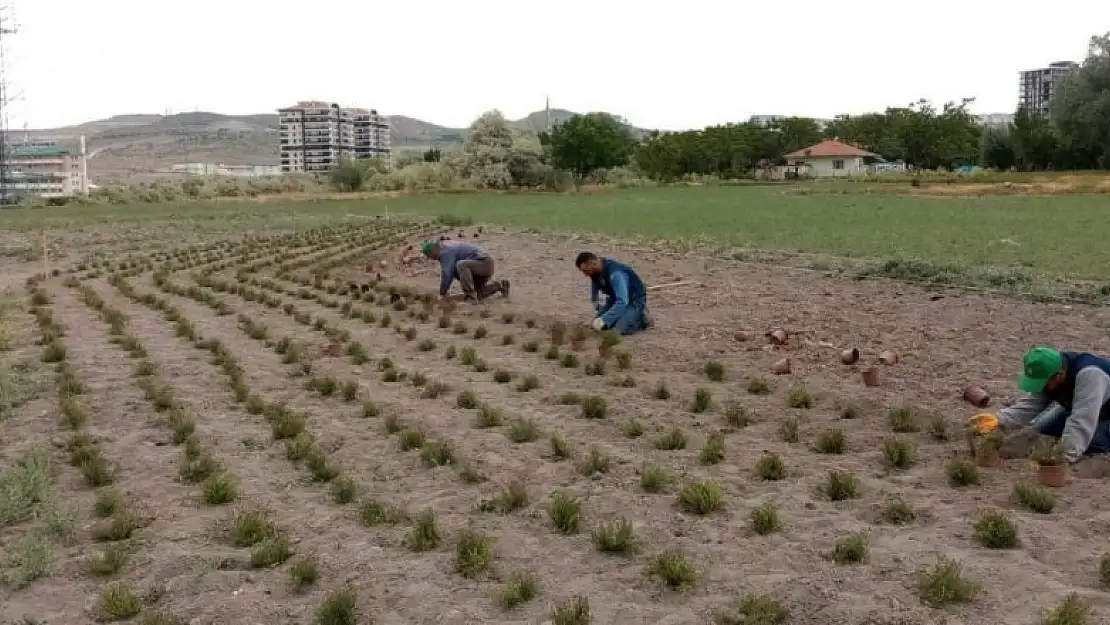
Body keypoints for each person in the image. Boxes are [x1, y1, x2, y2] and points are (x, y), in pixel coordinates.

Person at [974, 346, 1110, 465]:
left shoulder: (1090, 375)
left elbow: (1081, 421)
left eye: (1043, 383)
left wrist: (1060, 458)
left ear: (1060, 374)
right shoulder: (1051, 367)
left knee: (1091, 441)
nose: (1040, 388)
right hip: (1083, 408)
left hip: (1098, 411)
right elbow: (1029, 405)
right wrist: (999, 419)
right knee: (1042, 428)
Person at [575, 251, 652, 336]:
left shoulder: (616, 274)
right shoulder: (596, 270)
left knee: (618, 330)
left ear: (592, 263)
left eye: (585, 271)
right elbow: (595, 282)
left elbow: (622, 301)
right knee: (598, 326)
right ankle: (624, 315)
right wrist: (596, 302)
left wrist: (604, 319)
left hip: (633, 301)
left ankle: (642, 319)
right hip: (615, 299)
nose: (585, 274)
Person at [421, 239, 509, 302]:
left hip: (484, 263)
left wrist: (442, 293)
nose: (431, 258)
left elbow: (447, 273)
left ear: (432, 251)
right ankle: (500, 285)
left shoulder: (445, 252)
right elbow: (450, 272)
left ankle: (470, 295)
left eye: (429, 255)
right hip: (478, 267)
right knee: (479, 294)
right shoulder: (446, 248)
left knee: (460, 265)